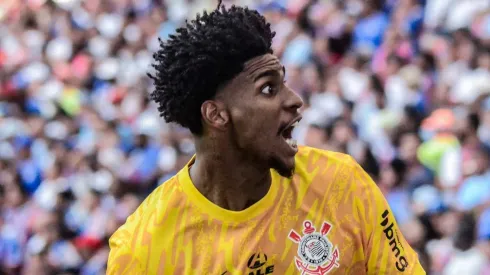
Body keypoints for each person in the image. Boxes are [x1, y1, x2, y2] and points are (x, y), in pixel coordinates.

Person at [107, 2, 426, 274]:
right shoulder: (144, 249)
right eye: (269, 89)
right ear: (216, 115)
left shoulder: (341, 184)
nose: (295, 100)